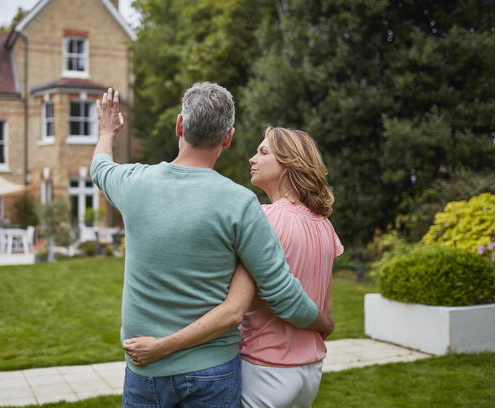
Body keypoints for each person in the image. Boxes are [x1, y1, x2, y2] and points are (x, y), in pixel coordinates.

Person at [91, 83, 334, 408]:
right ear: (228, 137)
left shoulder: (133, 183)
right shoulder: (241, 204)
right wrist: (324, 323)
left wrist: (107, 130)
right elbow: (282, 294)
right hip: (212, 374)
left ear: (180, 125)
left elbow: (100, 167)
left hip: (144, 371)